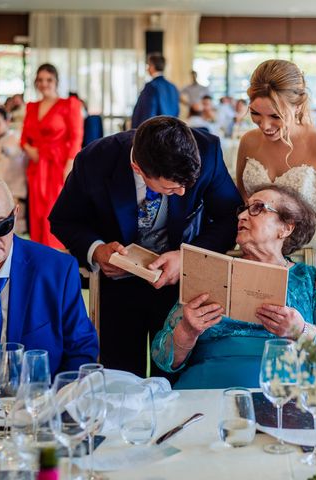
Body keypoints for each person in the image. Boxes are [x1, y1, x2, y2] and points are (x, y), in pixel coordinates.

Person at [49, 116, 242, 377]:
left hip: (181, 287)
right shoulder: (94, 160)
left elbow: (229, 217)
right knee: (121, 377)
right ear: (138, 169)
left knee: (178, 377)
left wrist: (188, 258)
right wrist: (97, 249)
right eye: (172, 188)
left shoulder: (207, 150)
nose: (183, 193)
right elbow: (64, 220)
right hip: (119, 289)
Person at [152, 184, 316, 389]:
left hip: (285, 395)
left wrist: (301, 330)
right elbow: (162, 358)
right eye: (243, 209)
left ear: (286, 228)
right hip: (206, 389)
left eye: (257, 208)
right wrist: (187, 330)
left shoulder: (311, 280)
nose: (242, 216)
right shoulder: (209, 271)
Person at [0, 174, 99, 390]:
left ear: (15, 217)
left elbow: (81, 349)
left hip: (28, 407)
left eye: (1, 226)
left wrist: (55, 403)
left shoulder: (56, 271)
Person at [237, 59, 316, 314]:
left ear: (298, 105)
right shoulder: (248, 142)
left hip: (313, 262)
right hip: (259, 261)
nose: (265, 125)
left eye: (275, 116)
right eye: (256, 114)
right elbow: (243, 197)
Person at [20, 64, 83, 249]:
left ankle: (56, 256)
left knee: (54, 211)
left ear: (56, 81)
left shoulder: (69, 104)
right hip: (36, 166)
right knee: (37, 212)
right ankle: (38, 253)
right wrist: (27, 148)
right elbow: (24, 137)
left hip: (58, 165)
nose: (44, 84)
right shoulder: (31, 107)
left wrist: (70, 164)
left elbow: (76, 136)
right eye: (40, 80)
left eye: (48, 79)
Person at [131, 54, 179, 128]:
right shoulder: (173, 87)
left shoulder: (151, 86)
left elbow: (147, 112)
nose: (147, 69)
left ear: (152, 66)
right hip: (170, 131)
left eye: (148, 65)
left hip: (155, 132)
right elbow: (176, 111)